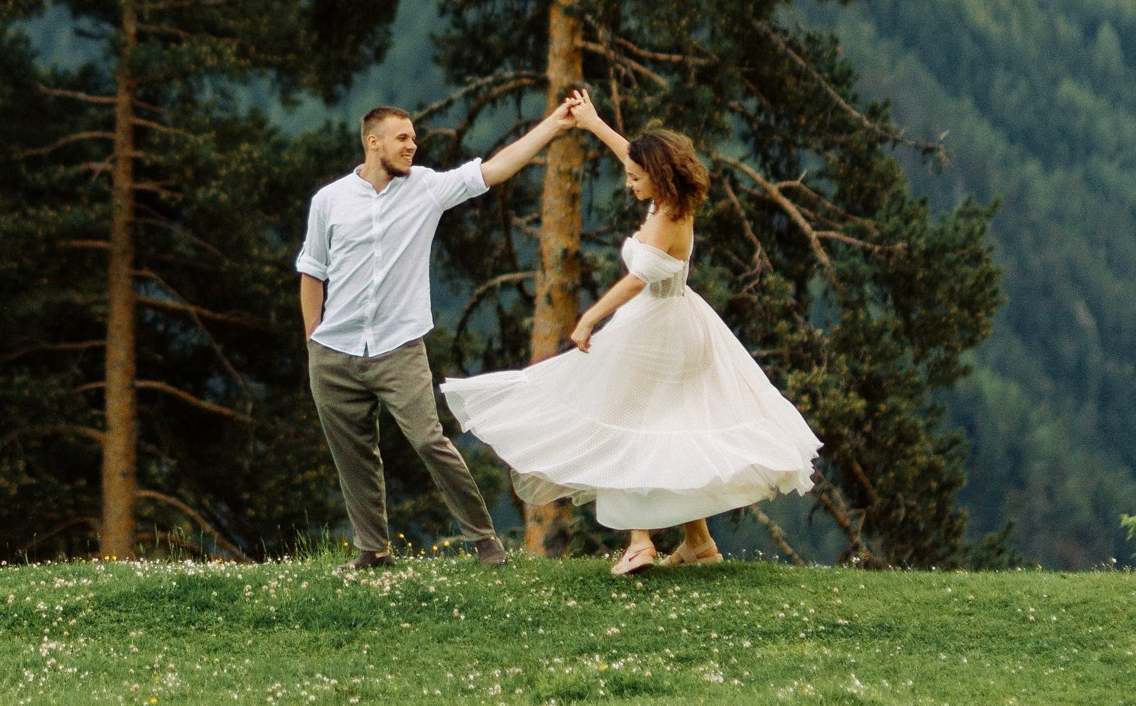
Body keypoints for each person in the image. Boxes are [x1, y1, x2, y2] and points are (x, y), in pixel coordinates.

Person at [441, 88, 821, 574]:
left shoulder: (666, 218)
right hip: (678, 323)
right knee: (668, 427)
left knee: (622, 420)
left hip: (655, 328)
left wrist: (588, 316)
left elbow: (637, 280)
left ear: (656, 178)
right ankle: (698, 541)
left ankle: (640, 540)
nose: (629, 183)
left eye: (636, 177)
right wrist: (594, 122)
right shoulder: (668, 196)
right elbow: (632, 153)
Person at [297, 97, 577, 565]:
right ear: (373, 142)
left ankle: (486, 542)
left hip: (399, 349)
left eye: (413, 138)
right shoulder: (329, 200)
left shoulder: (426, 188)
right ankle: (373, 552)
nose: (413, 146)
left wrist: (553, 125)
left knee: (429, 440)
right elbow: (311, 272)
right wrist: (313, 339)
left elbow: (495, 169)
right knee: (353, 456)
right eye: (402, 138)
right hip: (334, 354)